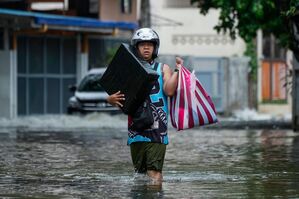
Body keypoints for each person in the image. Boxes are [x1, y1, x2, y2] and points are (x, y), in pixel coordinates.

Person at [107, 28, 182, 183]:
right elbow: (120, 99)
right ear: (136, 47)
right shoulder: (128, 71)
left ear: (155, 47)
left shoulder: (162, 68)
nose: (146, 47)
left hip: (157, 131)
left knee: (154, 174)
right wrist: (110, 99)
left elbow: (169, 90)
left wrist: (177, 70)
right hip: (135, 130)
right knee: (140, 176)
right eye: (142, 45)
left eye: (150, 44)